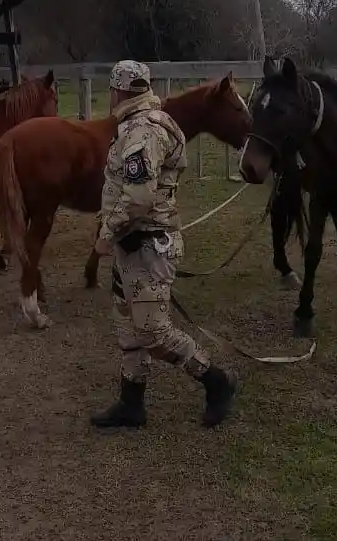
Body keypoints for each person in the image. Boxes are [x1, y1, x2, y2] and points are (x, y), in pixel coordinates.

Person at [91, 60, 237, 429]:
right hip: (133, 244)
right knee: (128, 325)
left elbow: (139, 197)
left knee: (155, 331)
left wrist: (106, 235)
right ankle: (131, 403)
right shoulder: (138, 125)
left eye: (111, 90)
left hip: (147, 246)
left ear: (119, 90)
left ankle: (216, 381)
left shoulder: (143, 131)